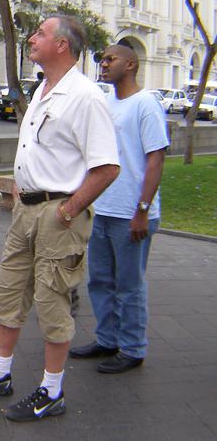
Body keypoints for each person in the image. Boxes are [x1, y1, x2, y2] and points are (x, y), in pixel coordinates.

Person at [0, 15, 120, 420]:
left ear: (62, 45)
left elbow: (107, 167)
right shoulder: (42, 89)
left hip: (58, 214)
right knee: (8, 290)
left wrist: (69, 209)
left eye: (41, 33)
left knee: (52, 300)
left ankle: (52, 390)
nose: (31, 38)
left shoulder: (85, 97)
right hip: (25, 210)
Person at [70, 44, 168, 373]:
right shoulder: (106, 103)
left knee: (129, 285)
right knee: (99, 281)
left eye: (110, 59)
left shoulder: (146, 104)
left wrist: (143, 210)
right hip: (102, 209)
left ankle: (132, 348)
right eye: (101, 60)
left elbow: (155, 160)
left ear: (131, 64)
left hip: (131, 214)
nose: (103, 64)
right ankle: (107, 339)